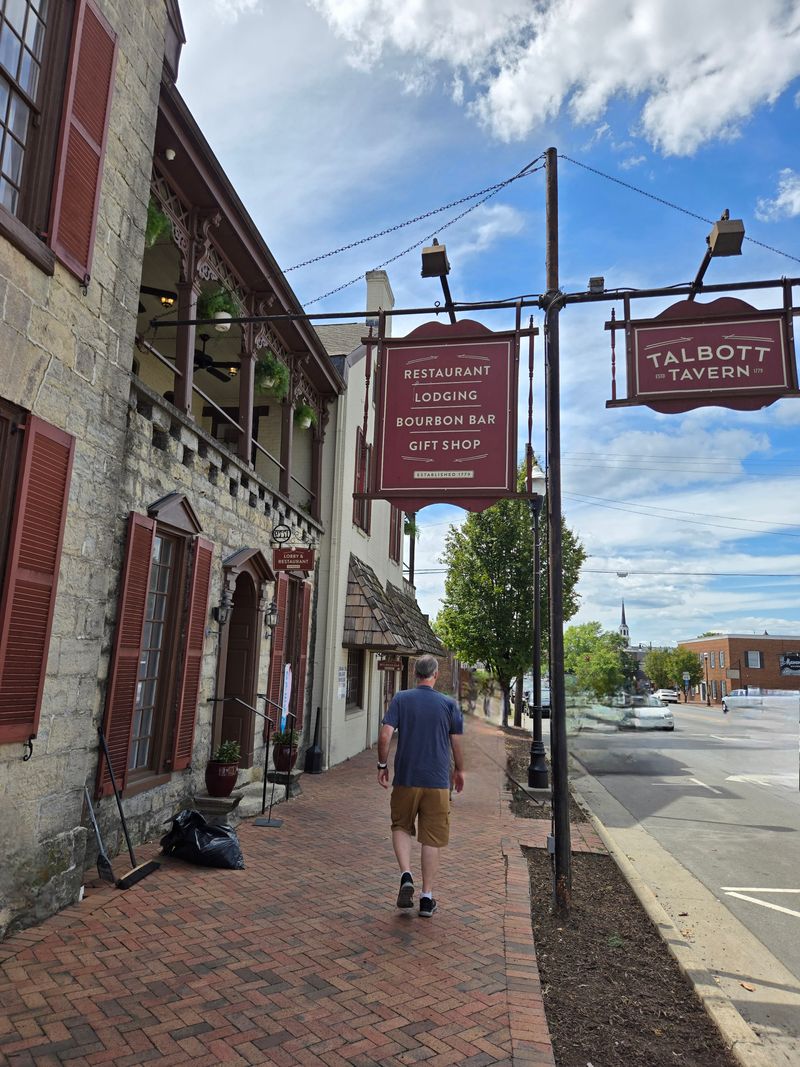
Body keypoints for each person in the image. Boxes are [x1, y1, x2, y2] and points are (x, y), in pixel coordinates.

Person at [377, 654, 464, 918]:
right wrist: (459, 770)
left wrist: (382, 765)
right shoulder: (450, 704)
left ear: (416, 674)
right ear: (435, 674)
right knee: (431, 838)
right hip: (437, 781)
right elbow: (456, 743)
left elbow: (385, 735)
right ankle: (426, 898)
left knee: (400, 826)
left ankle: (406, 874)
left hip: (406, 778)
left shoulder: (401, 699)